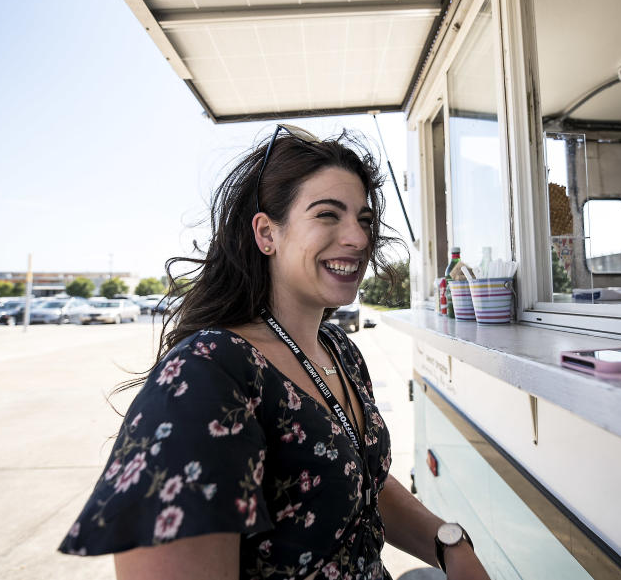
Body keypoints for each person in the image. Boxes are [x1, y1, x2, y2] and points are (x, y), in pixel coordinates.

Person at [58, 125, 490, 580]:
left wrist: (449, 545)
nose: (359, 239)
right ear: (267, 234)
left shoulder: (338, 349)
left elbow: (356, 477)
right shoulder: (209, 372)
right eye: (328, 215)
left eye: (364, 220)